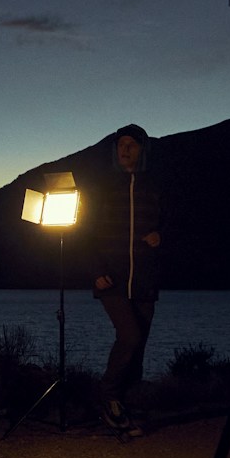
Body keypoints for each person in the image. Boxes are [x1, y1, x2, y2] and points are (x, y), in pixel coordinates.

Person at [90, 124, 163, 431]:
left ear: (142, 149)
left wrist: (162, 236)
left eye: (132, 144)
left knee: (139, 343)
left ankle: (127, 404)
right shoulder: (105, 188)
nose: (126, 149)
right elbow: (87, 232)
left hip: (145, 278)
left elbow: (173, 223)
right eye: (121, 144)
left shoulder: (154, 186)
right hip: (113, 279)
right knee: (129, 335)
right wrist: (95, 270)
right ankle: (107, 397)